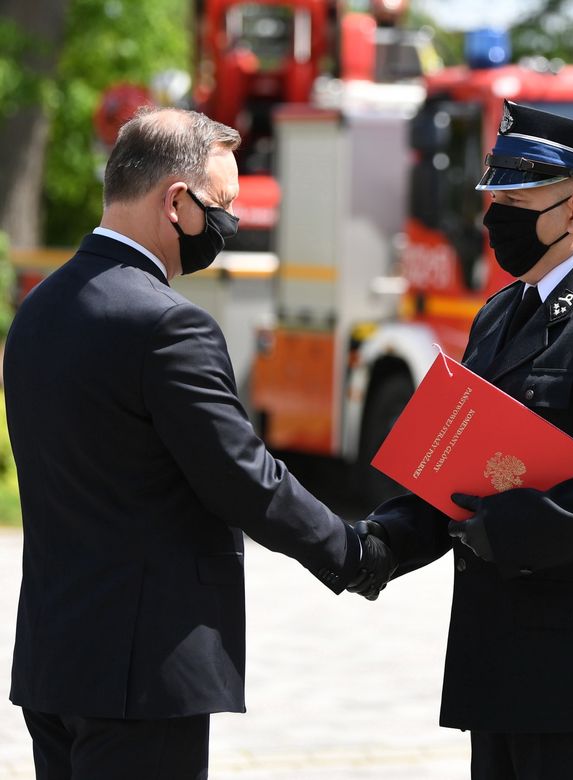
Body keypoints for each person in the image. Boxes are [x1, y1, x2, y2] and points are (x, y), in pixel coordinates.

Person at [4, 107, 396, 778]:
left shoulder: (38, 311)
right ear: (177, 202)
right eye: (225, 206)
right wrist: (353, 552)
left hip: (55, 657)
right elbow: (241, 475)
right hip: (145, 669)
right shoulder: (166, 325)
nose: (232, 226)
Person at [361, 100, 573, 779]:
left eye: (517, 203)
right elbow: (460, 467)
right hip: (505, 664)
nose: (495, 220)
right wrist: (382, 541)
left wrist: (524, 526)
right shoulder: (501, 313)